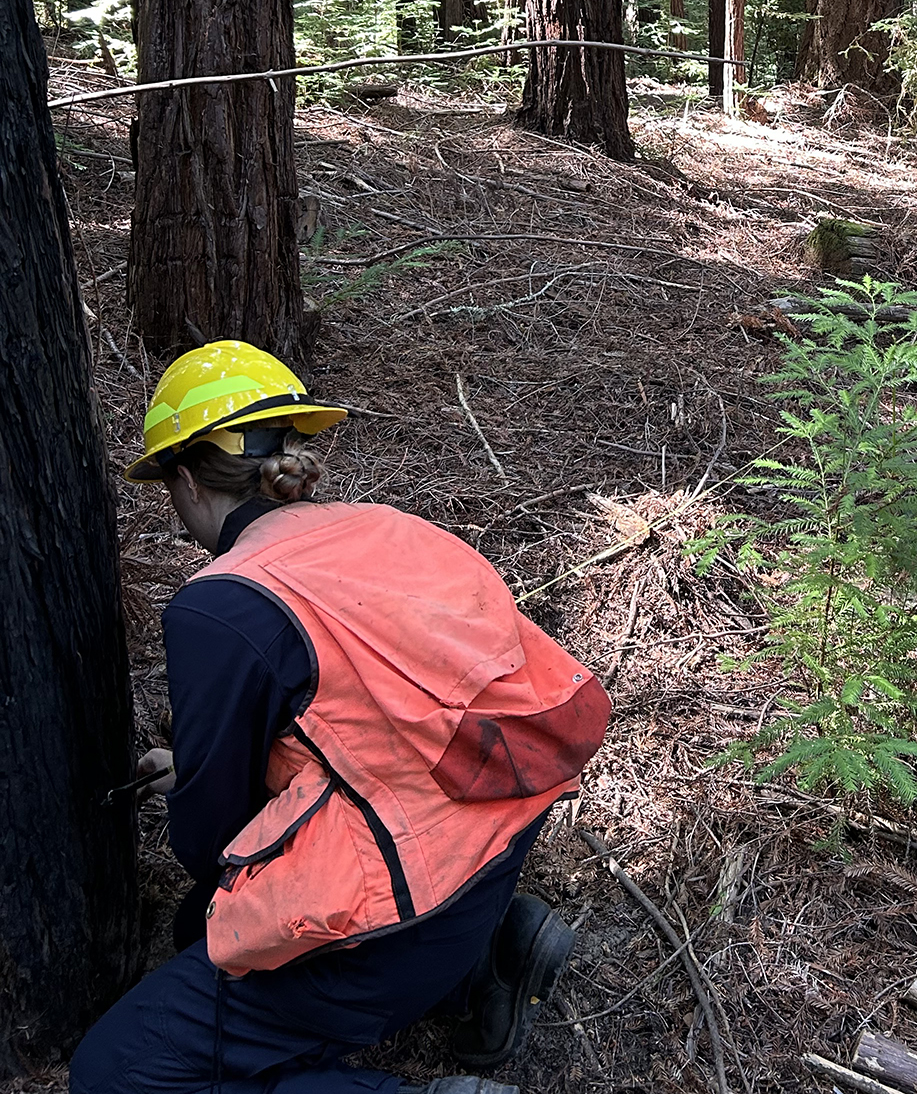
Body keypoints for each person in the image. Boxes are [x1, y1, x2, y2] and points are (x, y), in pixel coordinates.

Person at [71, 341, 612, 1094]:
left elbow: (210, 843)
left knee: (119, 1070)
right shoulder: (389, 530)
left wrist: (202, 783)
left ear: (186, 481)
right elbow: (373, 728)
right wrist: (198, 766)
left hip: (394, 931)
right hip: (491, 860)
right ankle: (491, 959)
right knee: (204, 936)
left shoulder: (222, 604)